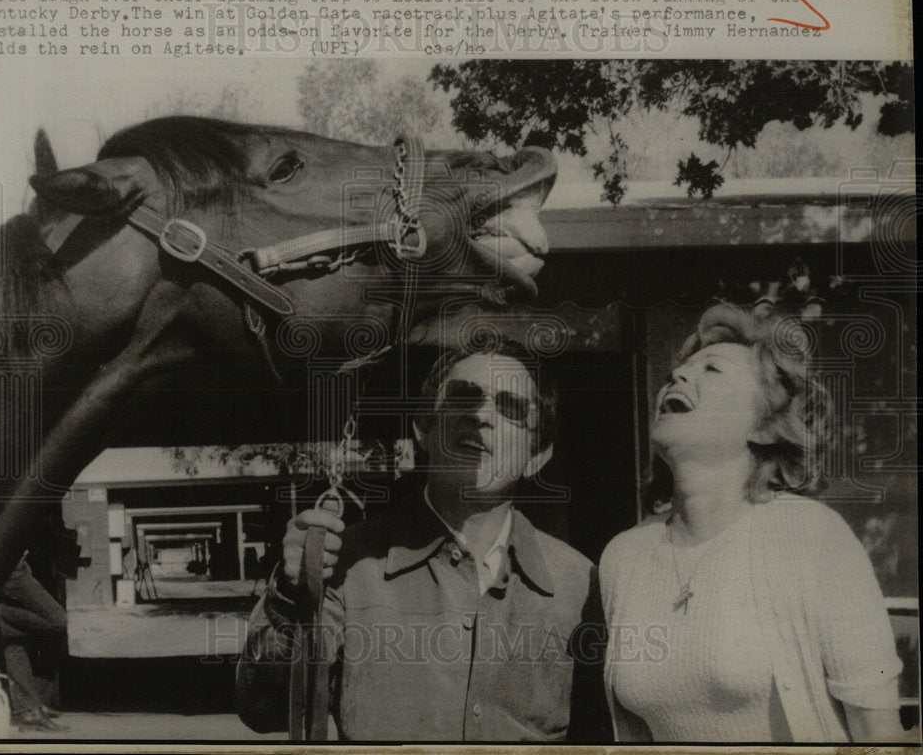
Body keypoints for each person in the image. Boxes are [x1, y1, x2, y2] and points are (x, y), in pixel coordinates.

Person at [239, 343, 609, 741]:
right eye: (463, 397)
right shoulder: (347, 563)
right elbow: (266, 708)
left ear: (537, 456)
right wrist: (290, 596)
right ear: (423, 428)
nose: (481, 415)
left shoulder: (580, 583)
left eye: (511, 408)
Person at [599, 302, 904, 743]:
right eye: (678, 372)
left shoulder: (814, 538)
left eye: (712, 370)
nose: (678, 377)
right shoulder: (623, 557)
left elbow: (880, 736)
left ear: (764, 426)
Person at [0, 555, 69, 733]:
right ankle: (1, 613)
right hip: (13, 568)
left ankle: (30, 711)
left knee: (15, 642)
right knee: (58, 621)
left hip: (17, 565)